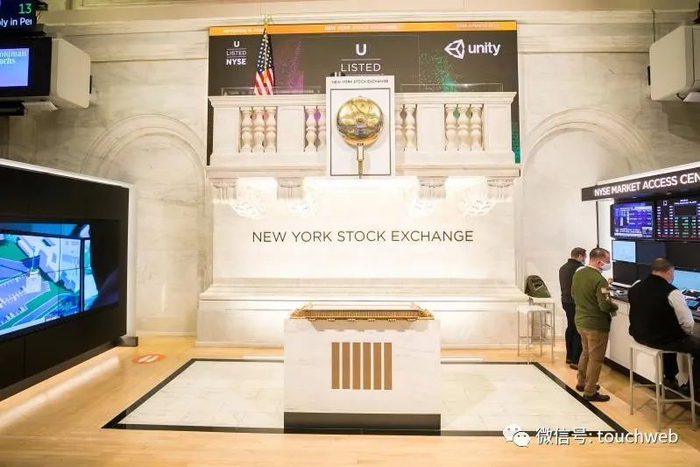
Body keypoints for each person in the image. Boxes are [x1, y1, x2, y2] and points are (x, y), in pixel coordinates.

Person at [628, 258, 700, 398]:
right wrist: (684, 334)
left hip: (639, 335)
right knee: (686, 342)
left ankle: (670, 378)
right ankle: (693, 389)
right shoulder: (673, 292)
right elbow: (688, 324)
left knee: (670, 335)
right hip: (661, 339)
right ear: (670, 271)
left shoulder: (636, 285)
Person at [571, 247, 618, 402]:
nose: (609, 264)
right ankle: (590, 391)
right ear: (599, 262)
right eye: (607, 261)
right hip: (596, 325)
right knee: (596, 359)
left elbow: (573, 294)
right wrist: (615, 307)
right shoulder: (600, 280)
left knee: (585, 353)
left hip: (580, 321)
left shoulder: (578, 274)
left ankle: (581, 382)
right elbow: (605, 305)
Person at [559, 247, 586, 370]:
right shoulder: (580, 269)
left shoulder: (563, 268)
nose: (584, 260)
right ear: (580, 256)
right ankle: (575, 360)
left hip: (565, 301)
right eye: (584, 257)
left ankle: (569, 356)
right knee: (577, 330)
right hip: (575, 302)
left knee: (570, 327)